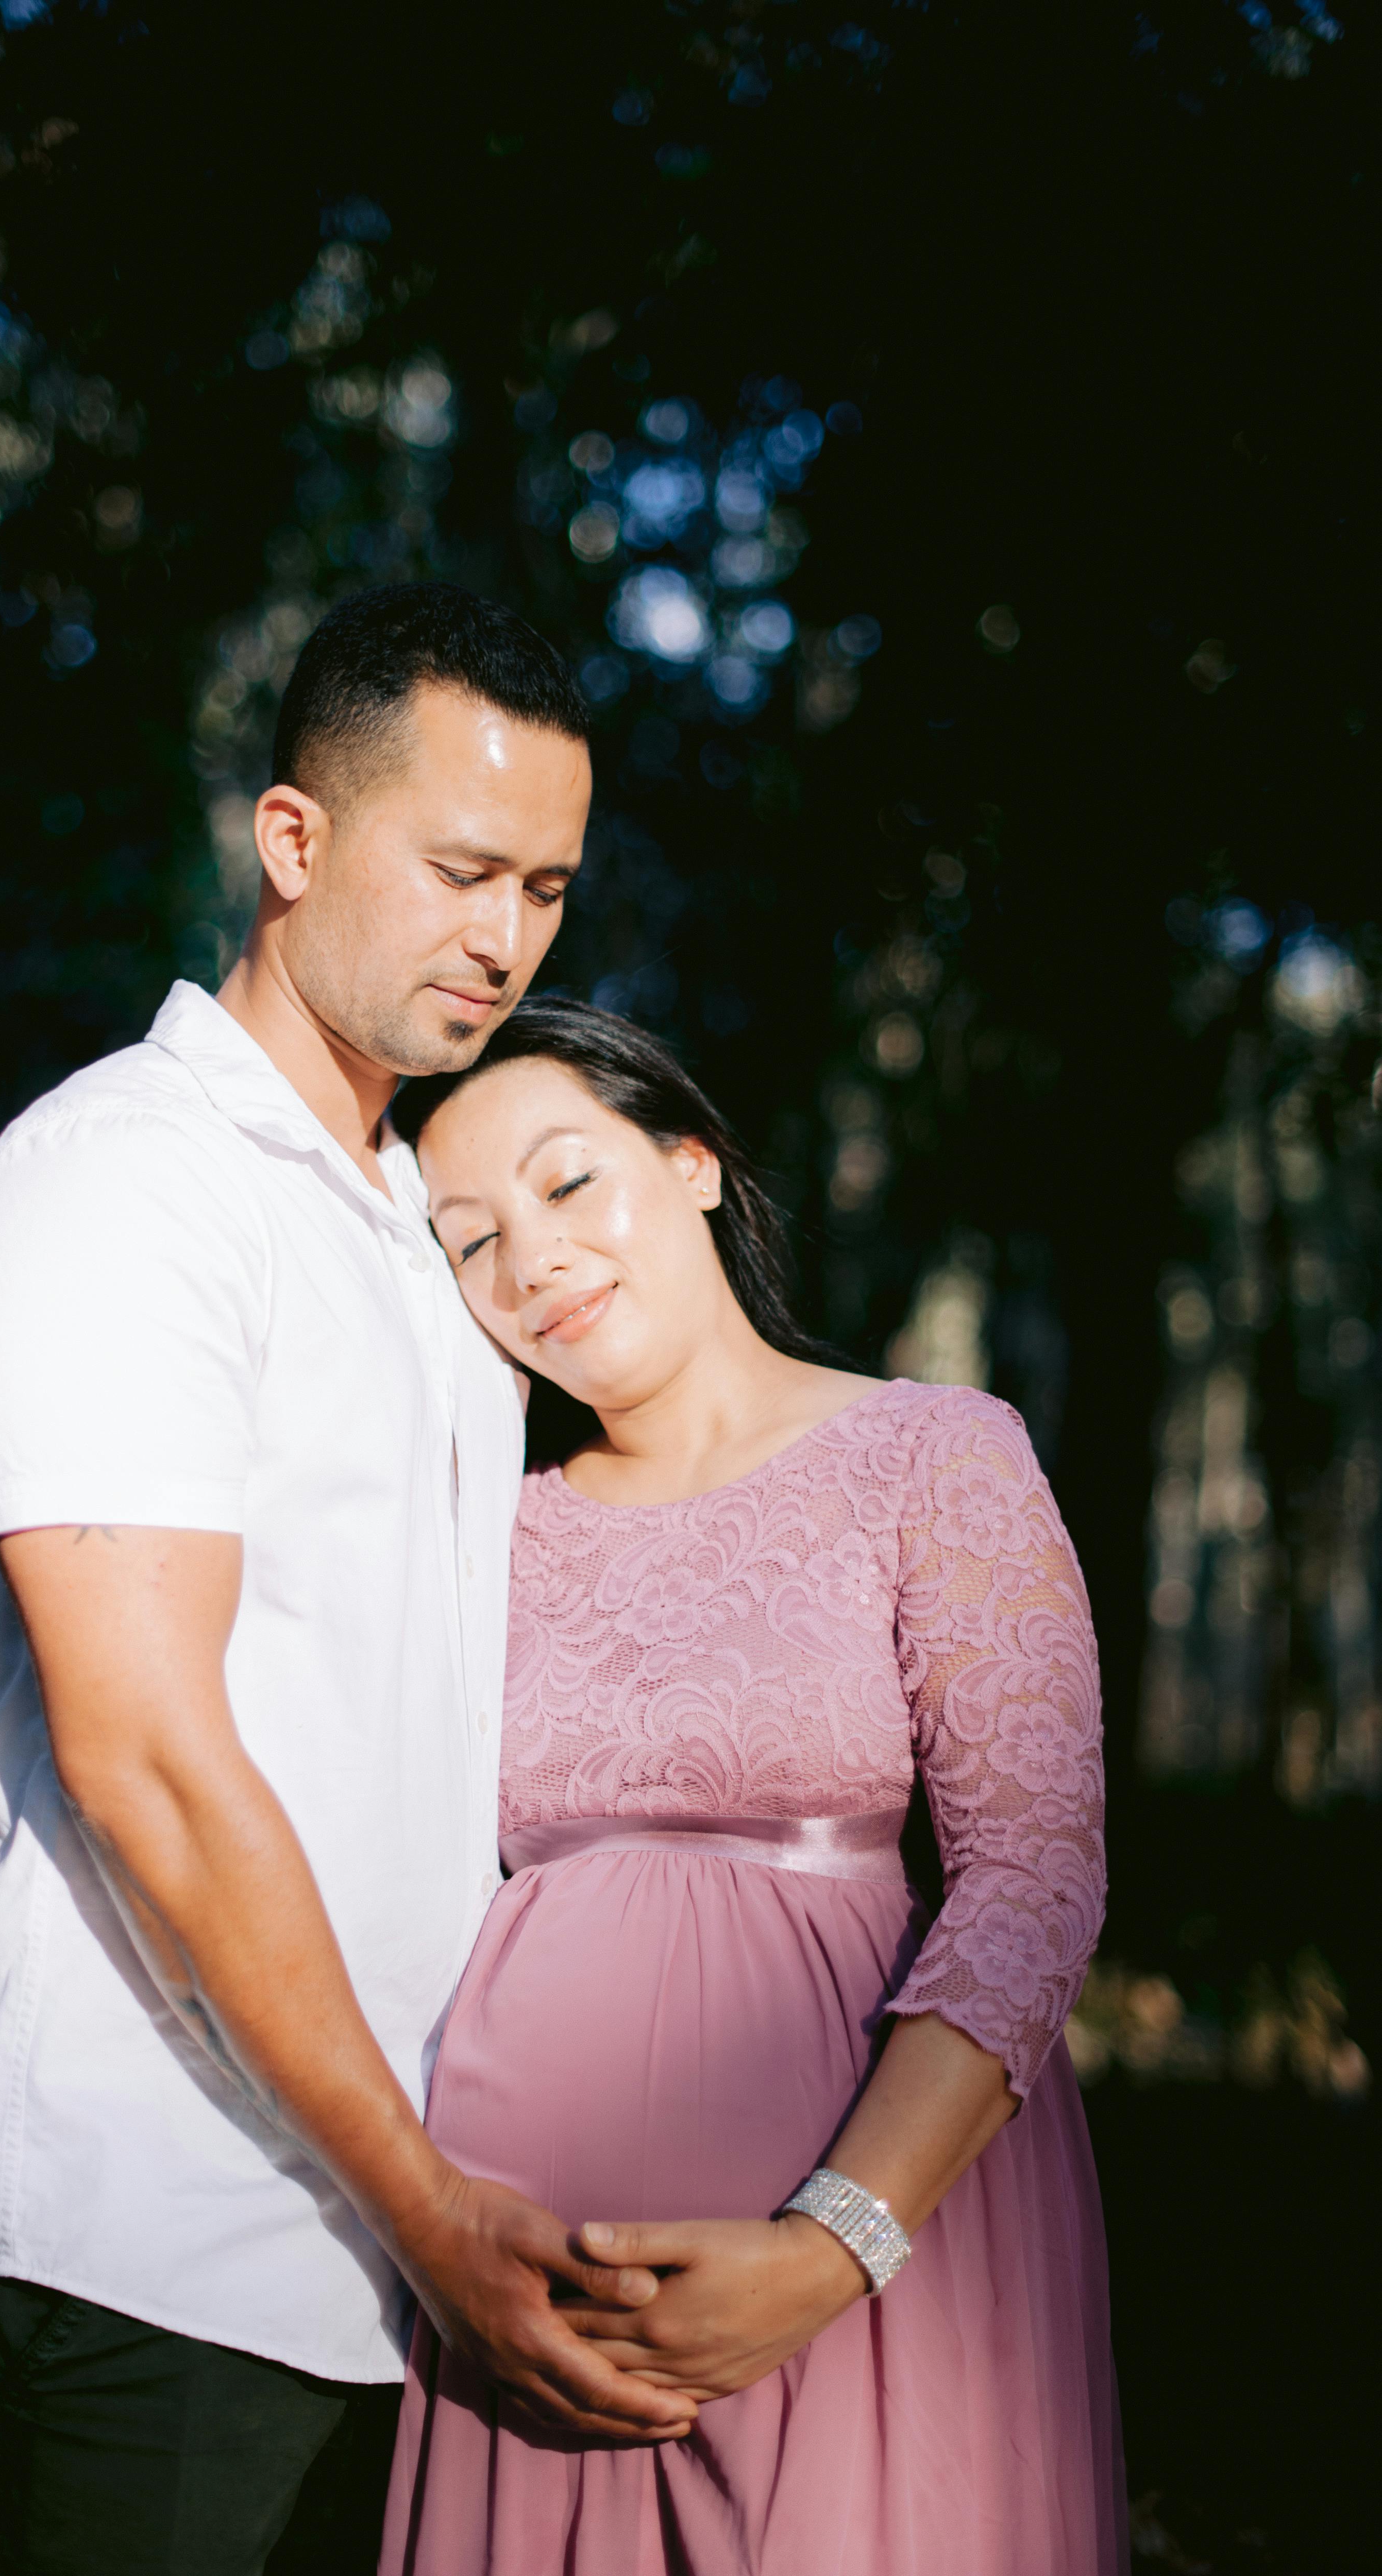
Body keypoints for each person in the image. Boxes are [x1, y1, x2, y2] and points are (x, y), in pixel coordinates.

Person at [0, 584, 693, 2576]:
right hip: (147, 2233)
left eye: (551, 890)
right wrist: (431, 2206)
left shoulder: (428, 1236)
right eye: (462, 870)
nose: (507, 939)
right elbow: (152, 1754)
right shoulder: (124, 1180)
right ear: (294, 842)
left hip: (374, 2255)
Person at [369, 998, 1127, 2575]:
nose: (535, 1261)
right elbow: (300, 1797)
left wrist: (833, 2244)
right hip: (530, 2284)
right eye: (469, 1238)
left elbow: (1035, 1880)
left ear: (695, 1164)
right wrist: (17, 1828)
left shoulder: (936, 1454)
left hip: (879, 2251)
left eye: (569, 1184)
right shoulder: (474, 1536)